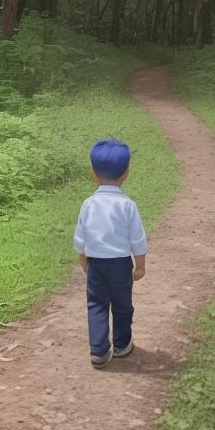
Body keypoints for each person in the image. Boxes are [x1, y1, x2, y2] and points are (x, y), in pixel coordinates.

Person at [72, 138, 148, 368]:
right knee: (123, 305)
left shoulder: (88, 204)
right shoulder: (127, 205)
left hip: (96, 264)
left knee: (96, 304)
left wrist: (84, 261)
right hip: (120, 265)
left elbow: (80, 237)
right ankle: (122, 345)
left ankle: (99, 351)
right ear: (126, 173)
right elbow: (137, 238)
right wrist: (141, 265)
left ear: (93, 173)